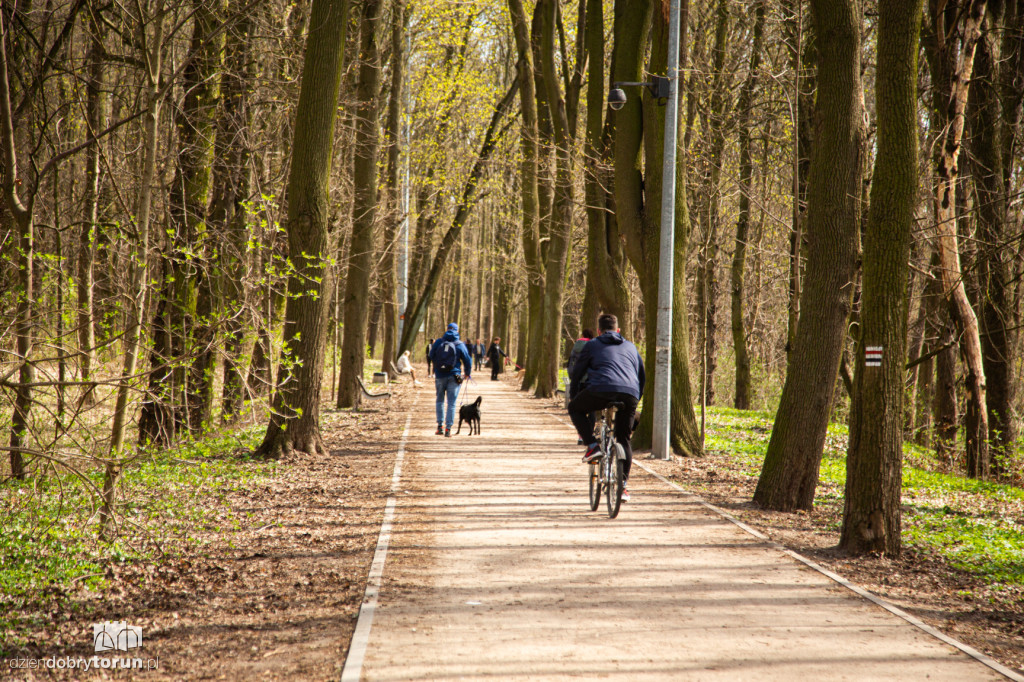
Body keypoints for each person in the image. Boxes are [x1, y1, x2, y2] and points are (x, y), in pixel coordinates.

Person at [567, 314, 644, 502]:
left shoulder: (592, 345)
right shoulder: (631, 346)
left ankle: (592, 446)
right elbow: (641, 377)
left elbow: (577, 373)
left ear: (599, 331)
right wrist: (635, 400)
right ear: (618, 330)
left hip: (600, 391)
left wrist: (575, 396)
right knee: (624, 439)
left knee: (574, 408)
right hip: (629, 394)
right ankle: (623, 487)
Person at [429, 323, 473, 437]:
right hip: (454, 376)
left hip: (439, 376)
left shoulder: (439, 342)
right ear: (457, 331)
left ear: (447, 329)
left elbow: (431, 355)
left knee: (439, 401)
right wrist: (467, 373)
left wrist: (437, 366)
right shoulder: (460, 344)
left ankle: (440, 427)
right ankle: (448, 428)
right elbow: (468, 360)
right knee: (451, 403)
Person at [566, 328, 596, 438]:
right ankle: (589, 434)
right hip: (591, 381)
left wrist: (572, 378)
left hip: (578, 381)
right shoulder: (594, 347)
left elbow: (570, 364)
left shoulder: (576, 346)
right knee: (592, 410)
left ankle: (581, 435)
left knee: (580, 409)